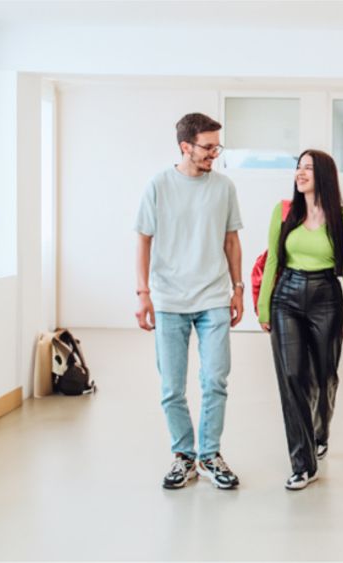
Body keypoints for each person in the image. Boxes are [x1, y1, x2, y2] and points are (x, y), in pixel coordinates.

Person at [135, 112, 243, 490]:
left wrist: (238, 288)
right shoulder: (158, 185)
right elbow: (144, 239)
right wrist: (143, 293)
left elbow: (231, 240)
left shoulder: (224, 187)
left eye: (218, 146)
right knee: (172, 387)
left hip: (213, 296)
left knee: (215, 379)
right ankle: (184, 455)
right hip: (167, 300)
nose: (215, 153)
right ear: (185, 146)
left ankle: (210, 454)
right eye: (208, 146)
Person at [257, 149, 343, 490]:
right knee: (292, 376)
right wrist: (263, 305)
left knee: (325, 376)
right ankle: (303, 463)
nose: (300, 174)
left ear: (325, 176)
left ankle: (320, 430)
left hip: (326, 297)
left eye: (308, 169)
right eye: (298, 167)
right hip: (286, 295)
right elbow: (273, 259)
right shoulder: (283, 211)